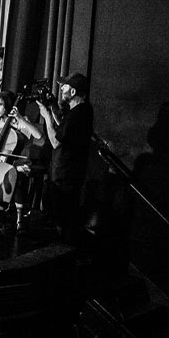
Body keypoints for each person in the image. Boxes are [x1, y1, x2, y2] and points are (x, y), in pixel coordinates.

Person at [36, 73, 94, 244]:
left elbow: (56, 142)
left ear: (73, 91)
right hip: (65, 173)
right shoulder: (80, 111)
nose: (61, 89)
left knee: (64, 219)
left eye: (65, 87)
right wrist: (53, 106)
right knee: (64, 218)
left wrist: (46, 117)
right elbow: (64, 128)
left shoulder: (79, 113)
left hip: (66, 175)